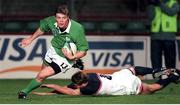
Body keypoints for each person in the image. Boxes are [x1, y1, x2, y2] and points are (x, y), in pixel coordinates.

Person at [18, 4, 89, 99]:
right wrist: (31, 39)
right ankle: (76, 63)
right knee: (42, 74)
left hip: (65, 58)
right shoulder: (51, 21)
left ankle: (23, 93)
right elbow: (42, 29)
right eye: (58, 17)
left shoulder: (77, 29)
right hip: (53, 50)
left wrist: (72, 57)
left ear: (68, 17)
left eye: (64, 18)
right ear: (55, 17)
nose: (61, 20)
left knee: (41, 75)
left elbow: (83, 50)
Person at [32, 66, 180, 96]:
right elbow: (70, 86)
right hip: (121, 75)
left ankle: (172, 78)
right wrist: (52, 92)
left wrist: (52, 85)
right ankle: (154, 71)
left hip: (126, 85)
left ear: (81, 84)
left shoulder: (89, 89)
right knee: (133, 69)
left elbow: (70, 91)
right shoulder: (88, 75)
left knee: (152, 89)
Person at [147, 0, 179, 69]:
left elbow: (171, 12)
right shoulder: (154, 3)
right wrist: (150, 5)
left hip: (169, 36)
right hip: (155, 36)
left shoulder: (173, 3)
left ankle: (171, 77)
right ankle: (157, 77)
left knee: (170, 60)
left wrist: (159, 4)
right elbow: (150, 16)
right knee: (155, 60)